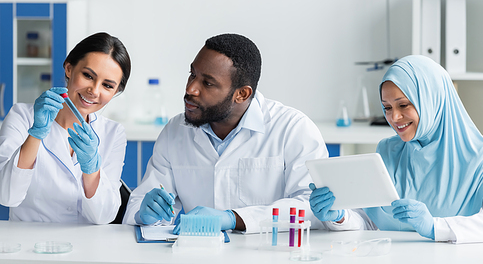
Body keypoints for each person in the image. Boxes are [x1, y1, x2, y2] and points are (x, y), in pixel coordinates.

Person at [123, 33, 328, 233]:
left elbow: (312, 207)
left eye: (208, 83)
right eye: (192, 74)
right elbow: (139, 205)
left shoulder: (293, 129)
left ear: (242, 94)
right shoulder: (175, 131)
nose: (191, 89)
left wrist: (234, 219)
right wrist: (146, 213)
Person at [309, 55, 483, 243]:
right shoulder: (387, 150)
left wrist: (435, 227)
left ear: (431, 99)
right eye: (387, 108)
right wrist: (339, 216)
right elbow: (370, 222)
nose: (394, 117)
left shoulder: (482, 157)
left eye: (403, 105)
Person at [0, 32, 132, 224]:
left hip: (86, 248)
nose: (94, 91)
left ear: (116, 91)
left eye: (108, 86)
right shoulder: (22, 117)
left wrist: (91, 169)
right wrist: (35, 135)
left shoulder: (113, 133)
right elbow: (7, 196)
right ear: (69, 68)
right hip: (30, 246)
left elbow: (103, 217)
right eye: (88, 75)